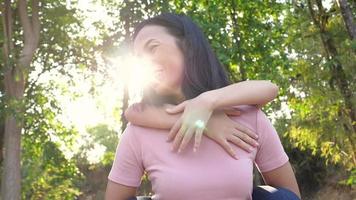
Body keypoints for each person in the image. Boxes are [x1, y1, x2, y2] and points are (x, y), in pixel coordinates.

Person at [106, 13, 300, 200]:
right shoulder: (139, 131)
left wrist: (206, 102)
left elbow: (290, 196)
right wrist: (202, 122)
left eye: (152, 47)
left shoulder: (248, 117)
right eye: (138, 57)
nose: (144, 62)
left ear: (187, 46)